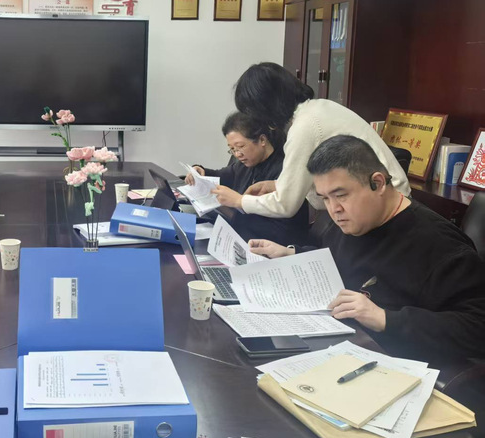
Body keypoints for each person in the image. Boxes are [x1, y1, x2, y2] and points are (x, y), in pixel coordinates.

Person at [249, 135, 485, 362]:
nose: (333, 209)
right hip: (337, 339)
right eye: (325, 198)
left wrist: (384, 318)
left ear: (378, 183)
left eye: (341, 195)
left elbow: (477, 327)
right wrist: (292, 253)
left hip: (391, 361)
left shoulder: (440, 245)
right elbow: (340, 259)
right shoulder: (350, 221)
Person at [226, 62, 410, 219]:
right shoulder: (319, 107)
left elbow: (285, 205)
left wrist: (239, 201)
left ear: (266, 106)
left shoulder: (305, 127)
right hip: (383, 202)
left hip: (383, 210)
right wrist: (276, 185)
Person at [185, 112, 310, 244]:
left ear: (262, 140)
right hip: (242, 237)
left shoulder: (285, 170)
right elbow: (221, 175)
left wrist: (231, 208)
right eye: (232, 149)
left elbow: (281, 230)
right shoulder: (245, 165)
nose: (237, 154)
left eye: (240, 147)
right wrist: (200, 171)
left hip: (275, 246)